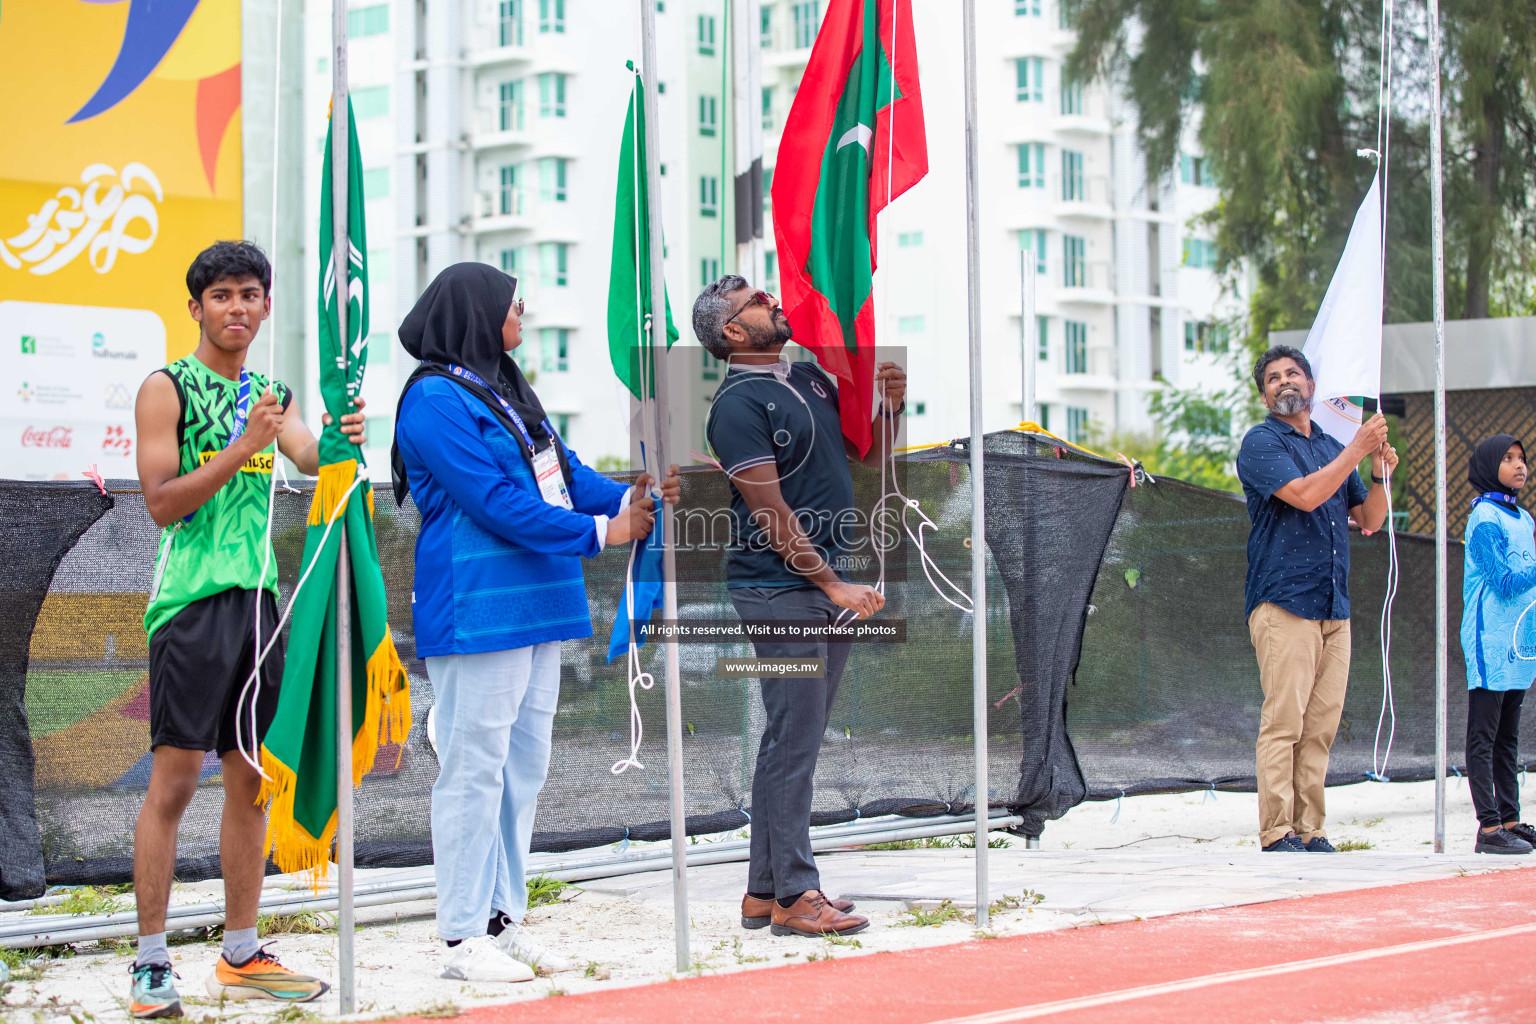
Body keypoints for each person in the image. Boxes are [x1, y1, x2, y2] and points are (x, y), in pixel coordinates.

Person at [391, 263, 680, 983]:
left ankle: (502, 920)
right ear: (477, 312)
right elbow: (491, 501)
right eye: (516, 304)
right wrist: (605, 533)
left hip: (543, 602)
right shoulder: (432, 399)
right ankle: (462, 939)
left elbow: (571, 476)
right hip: (478, 607)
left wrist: (632, 494)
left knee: (523, 769)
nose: (526, 313)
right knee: (473, 771)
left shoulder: (512, 392)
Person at [130, 241, 365, 1017]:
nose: (237, 307)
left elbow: (312, 456)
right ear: (195, 306)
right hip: (190, 606)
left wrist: (342, 437)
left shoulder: (272, 392)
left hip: (261, 608)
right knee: (172, 784)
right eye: (222, 295)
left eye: (250, 294)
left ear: (266, 307)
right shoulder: (166, 388)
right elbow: (163, 503)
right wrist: (241, 448)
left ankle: (239, 953)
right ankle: (151, 962)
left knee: (252, 784)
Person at [692, 275, 904, 937]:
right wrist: (832, 586)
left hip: (819, 583)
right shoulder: (735, 404)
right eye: (757, 302)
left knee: (793, 738)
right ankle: (795, 894)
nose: (774, 302)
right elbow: (769, 509)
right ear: (731, 332)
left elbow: (861, 458)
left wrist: (888, 411)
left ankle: (764, 893)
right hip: (777, 588)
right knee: (794, 742)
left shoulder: (811, 380)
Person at [1235, 345, 1397, 854]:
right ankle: (1276, 831)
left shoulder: (1330, 444)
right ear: (1264, 394)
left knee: (1321, 726)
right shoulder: (1261, 443)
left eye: (1293, 374)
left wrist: (1379, 472)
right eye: (1274, 378)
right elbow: (1304, 495)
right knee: (1284, 721)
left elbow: (1370, 520)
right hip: (1284, 601)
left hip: (1334, 605)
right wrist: (1355, 448)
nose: (1285, 382)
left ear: (1310, 384)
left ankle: (1311, 830)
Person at [1460, 435, 1536, 854]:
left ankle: (1510, 819)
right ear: (1490, 466)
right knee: (1484, 735)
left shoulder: (1524, 518)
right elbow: (1503, 583)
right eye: (1508, 459)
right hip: (1489, 638)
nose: (1519, 465)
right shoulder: (1485, 518)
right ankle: (1488, 828)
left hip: (1520, 641)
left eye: (1522, 459)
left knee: (1509, 736)